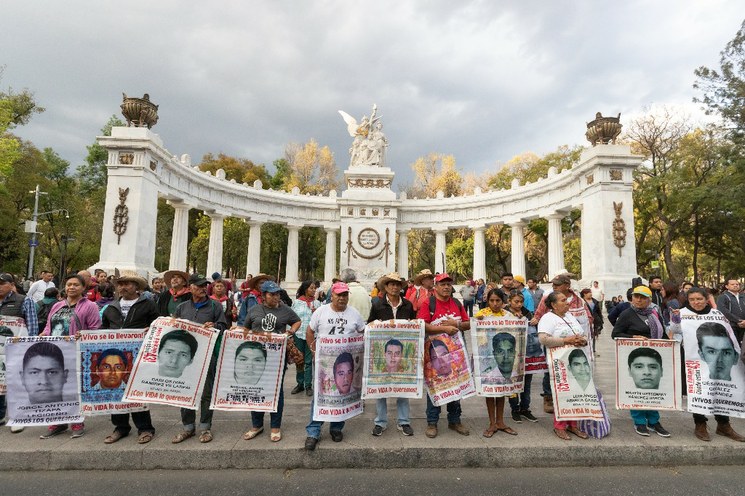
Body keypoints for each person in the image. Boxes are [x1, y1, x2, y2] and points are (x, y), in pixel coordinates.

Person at [669, 287, 745, 442]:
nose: (696, 302)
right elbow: (674, 331)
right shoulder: (681, 313)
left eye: (699, 299)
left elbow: (730, 334)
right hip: (694, 360)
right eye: (692, 299)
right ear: (688, 300)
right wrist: (675, 320)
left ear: (706, 299)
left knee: (720, 390)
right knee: (699, 391)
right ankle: (700, 424)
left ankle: (724, 425)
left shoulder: (717, 314)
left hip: (722, 359)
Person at [304, 282, 366, 451]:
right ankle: (313, 432)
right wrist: (313, 350)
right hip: (325, 364)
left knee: (342, 395)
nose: (342, 298)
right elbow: (309, 332)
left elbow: (363, 333)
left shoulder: (354, 314)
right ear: (332, 295)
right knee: (320, 396)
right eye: (338, 295)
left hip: (346, 363)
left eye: (345, 295)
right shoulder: (321, 312)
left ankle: (336, 428)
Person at [99, 273, 159, 444]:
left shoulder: (147, 305)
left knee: (138, 391)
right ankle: (121, 427)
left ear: (136, 287)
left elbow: (157, 324)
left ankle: (145, 427)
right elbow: (104, 327)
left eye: (127, 284)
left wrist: (151, 329)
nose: (123, 287)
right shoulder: (111, 307)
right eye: (120, 284)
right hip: (115, 357)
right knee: (116, 390)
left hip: (138, 356)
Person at [241, 280, 301, 443]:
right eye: (272, 294)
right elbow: (246, 329)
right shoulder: (254, 310)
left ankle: (275, 426)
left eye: (277, 294)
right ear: (263, 296)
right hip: (256, 357)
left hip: (277, 358)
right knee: (255, 389)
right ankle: (257, 425)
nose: (276, 297)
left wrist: (291, 331)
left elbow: (297, 320)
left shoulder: (285, 310)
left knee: (276, 391)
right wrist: (238, 331)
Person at [171, 274, 227, 444]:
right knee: (185, 389)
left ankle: (205, 427)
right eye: (200, 285)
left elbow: (224, 326)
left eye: (205, 286)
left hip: (207, 355)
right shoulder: (182, 307)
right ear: (191, 287)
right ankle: (188, 427)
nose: (203, 288)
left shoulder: (215, 306)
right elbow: (174, 325)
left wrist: (215, 326)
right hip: (185, 357)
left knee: (206, 392)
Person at [610, 285, 670, 436]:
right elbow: (615, 334)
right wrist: (633, 337)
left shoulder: (654, 313)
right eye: (636, 296)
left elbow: (662, 335)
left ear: (649, 300)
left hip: (653, 358)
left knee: (652, 389)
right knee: (637, 389)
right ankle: (639, 421)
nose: (638, 300)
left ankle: (654, 421)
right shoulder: (626, 314)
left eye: (643, 297)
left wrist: (669, 346)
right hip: (635, 358)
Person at [418, 272, 470, 439]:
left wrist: (456, 324)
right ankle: (432, 422)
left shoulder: (456, 302)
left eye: (449, 284)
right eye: (442, 284)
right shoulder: (429, 303)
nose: (446, 287)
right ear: (436, 287)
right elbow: (422, 325)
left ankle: (454, 420)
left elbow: (467, 324)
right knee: (435, 385)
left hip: (456, 354)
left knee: (456, 383)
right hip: (435, 354)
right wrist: (444, 329)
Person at [533, 273, 593, 415]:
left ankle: (570, 399)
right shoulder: (549, 298)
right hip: (555, 344)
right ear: (553, 305)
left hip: (575, 347)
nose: (554, 287)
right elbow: (539, 314)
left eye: (557, 284)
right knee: (551, 369)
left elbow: (587, 318)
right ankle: (548, 397)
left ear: (567, 285)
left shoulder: (578, 300)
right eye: (553, 285)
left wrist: (581, 338)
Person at [367, 272, 416, 437]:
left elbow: (415, 324)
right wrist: (375, 324)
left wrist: (412, 325)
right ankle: (380, 422)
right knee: (380, 388)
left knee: (404, 386)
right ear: (386, 287)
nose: (394, 287)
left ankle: (404, 421)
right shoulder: (377, 304)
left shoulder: (408, 305)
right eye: (391, 284)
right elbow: (369, 323)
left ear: (401, 287)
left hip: (402, 354)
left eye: (397, 284)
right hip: (383, 354)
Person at [537, 291, 590, 441]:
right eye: (562, 300)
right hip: (559, 362)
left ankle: (573, 425)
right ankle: (559, 426)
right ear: (553, 305)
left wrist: (582, 341)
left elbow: (581, 333)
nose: (567, 302)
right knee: (563, 393)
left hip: (576, 361)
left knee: (576, 392)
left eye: (566, 300)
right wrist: (567, 340)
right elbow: (544, 339)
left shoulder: (569, 316)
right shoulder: (548, 318)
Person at [474, 288, 519, 436]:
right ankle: (492, 423)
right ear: (487, 301)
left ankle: (500, 421)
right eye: (491, 300)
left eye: (497, 300)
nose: (494, 303)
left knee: (502, 391)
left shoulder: (508, 315)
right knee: (490, 392)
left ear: (503, 301)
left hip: (503, 358)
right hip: (488, 358)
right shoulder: (482, 315)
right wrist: (477, 322)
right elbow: (477, 337)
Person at [504, 290, 538, 423]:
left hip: (526, 354)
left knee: (527, 383)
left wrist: (535, 321)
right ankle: (514, 408)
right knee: (513, 381)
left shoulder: (527, 313)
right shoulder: (505, 313)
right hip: (512, 354)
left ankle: (525, 408)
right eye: (516, 302)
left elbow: (534, 331)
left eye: (521, 302)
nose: (519, 304)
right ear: (509, 301)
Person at [291, 281, 320, 396]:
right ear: (305, 289)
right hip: (298, 334)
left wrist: (315, 313)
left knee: (308, 361)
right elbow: (292, 318)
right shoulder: (297, 302)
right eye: (311, 288)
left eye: (315, 288)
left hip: (311, 336)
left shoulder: (317, 304)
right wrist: (291, 333)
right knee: (299, 360)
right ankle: (300, 384)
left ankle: (308, 385)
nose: (313, 290)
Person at [716, 279, 745, 343]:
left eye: (737, 284)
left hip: (744, 324)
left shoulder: (743, 296)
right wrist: (738, 320)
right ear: (727, 286)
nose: (735, 285)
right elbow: (723, 310)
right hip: (731, 326)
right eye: (732, 284)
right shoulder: (722, 297)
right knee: (734, 345)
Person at [580, 288, 603, 353]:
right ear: (584, 294)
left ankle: (593, 349)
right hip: (586, 321)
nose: (591, 294)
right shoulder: (581, 301)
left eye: (591, 292)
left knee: (594, 335)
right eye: (589, 292)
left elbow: (599, 312)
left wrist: (601, 320)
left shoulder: (595, 301)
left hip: (595, 320)